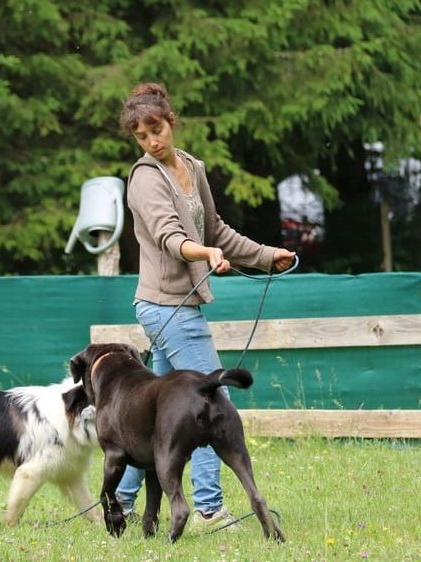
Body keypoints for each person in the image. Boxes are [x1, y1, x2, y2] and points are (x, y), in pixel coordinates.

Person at [116, 82, 296, 529]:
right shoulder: (143, 179)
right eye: (142, 136)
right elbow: (172, 239)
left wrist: (266, 254)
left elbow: (215, 230)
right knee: (209, 403)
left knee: (152, 417)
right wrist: (206, 255)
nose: (152, 141)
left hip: (181, 305)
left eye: (156, 129)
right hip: (165, 308)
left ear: (170, 120)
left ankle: (118, 499)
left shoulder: (193, 168)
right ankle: (210, 509)